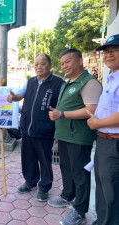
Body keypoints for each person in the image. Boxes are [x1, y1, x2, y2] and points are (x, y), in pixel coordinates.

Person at [48, 48, 102, 225]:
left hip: (79, 137)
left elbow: (91, 110)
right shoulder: (69, 82)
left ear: (80, 61)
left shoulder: (89, 83)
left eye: (68, 61)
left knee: (80, 173)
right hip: (65, 135)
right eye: (62, 63)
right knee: (66, 167)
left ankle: (80, 211)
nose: (65, 66)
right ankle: (67, 195)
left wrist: (62, 114)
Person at [7, 54, 63, 201]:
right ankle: (30, 181)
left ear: (50, 65)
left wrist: (58, 131)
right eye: (36, 64)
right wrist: (14, 97)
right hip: (27, 128)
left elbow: (61, 107)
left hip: (45, 130)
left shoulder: (58, 83)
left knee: (44, 160)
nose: (39, 67)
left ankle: (44, 187)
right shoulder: (31, 81)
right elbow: (20, 95)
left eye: (42, 64)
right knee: (28, 158)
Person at [87, 34, 119, 225]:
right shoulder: (112, 77)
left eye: (114, 50)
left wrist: (97, 123)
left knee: (111, 191)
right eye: (106, 52)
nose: (108, 55)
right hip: (104, 141)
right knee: (102, 186)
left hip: (113, 142)